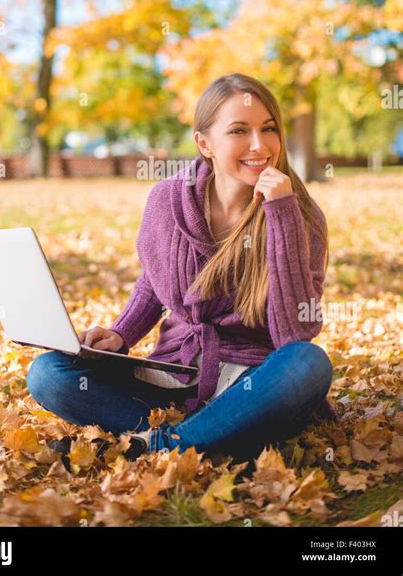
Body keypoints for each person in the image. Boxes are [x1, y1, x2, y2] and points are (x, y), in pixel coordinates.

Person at [27, 73, 336, 466]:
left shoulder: (299, 214)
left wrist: (281, 217)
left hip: (254, 385)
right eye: (239, 131)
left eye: (269, 129)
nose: (260, 146)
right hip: (174, 375)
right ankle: (193, 440)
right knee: (48, 373)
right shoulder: (168, 199)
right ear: (203, 143)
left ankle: (154, 444)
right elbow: (153, 283)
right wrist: (121, 335)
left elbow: (294, 334)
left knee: (308, 363)